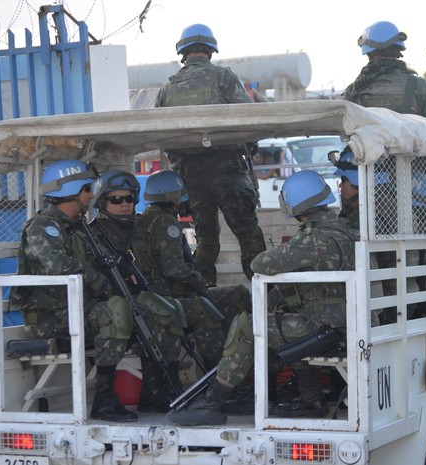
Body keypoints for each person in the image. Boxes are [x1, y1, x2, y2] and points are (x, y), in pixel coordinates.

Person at [165, 170, 359, 426]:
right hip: (343, 323)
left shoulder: (314, 239)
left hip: (328, 329)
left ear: (296, 206)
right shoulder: (344, 229)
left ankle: (212, 404)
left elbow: (260, 264)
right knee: (287, 318)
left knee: (247, 326)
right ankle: (310, 399)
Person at [11, 160, 137, 422]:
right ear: (70, 191)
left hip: (74, 311)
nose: (92, 195)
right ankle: (104, 399)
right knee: (114, 313)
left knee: (137, 308)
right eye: (87, 188)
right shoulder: (43, 227)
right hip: (50, 319)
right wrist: (98, 281)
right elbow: (59, 266)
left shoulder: (77, 228)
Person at [155, 23, 266, 283]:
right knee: (248, 235)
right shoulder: (224, 78)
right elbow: (247, 121)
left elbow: (163, 136)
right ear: (210, 50)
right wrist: (249, 150)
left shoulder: (167, 89)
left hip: (191, 179)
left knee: (205, 241)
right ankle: (265, 295)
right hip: (228, 171)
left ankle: (204, 295)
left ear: (183, 52)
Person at [132, 170, 252, 373]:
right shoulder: (166, 222)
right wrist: (199, 280)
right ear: (172, 196)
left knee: (228, 297)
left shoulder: (141, 220)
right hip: (170, 297)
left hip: (156, 296)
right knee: (230, 299)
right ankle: (224, 372)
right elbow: (174, 268)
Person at [89, 169, 187, 413]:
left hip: (139, 297)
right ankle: (106, 396)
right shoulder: (92, 233)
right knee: (148, 311)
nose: (124, 205)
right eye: (116, 200)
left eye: (129, 199)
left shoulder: (139, 226)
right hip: (106, 302)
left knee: (166, 309)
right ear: (102, 202)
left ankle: (161, 388)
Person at [343, 20, 426, 123]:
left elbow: (343, 133)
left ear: (368, 52)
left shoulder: (353, 91)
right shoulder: (419, 87)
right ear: (398, 50)